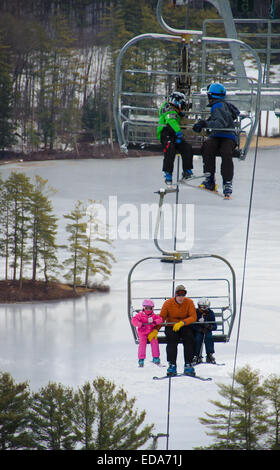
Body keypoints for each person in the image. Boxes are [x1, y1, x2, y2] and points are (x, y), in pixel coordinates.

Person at [192, 82, 240, 198]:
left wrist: (204, 123)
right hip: (219, 135)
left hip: (227, 135)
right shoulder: (221, 106)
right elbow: (217, 119)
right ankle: (215, 180)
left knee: (223, 151)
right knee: (209, 146)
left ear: (211, 96)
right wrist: (204, 123)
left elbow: (220, 123)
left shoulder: (218, 106)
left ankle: (218, 181)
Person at [153, 284, 197, 376]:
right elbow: (162, 318)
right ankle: (172, 364)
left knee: (189, 339)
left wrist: (183, 323)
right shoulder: (168, 303)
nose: (181, 298)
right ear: (175, 295)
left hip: (184, 325)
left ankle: (188, 364)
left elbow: (193, 317)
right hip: (171, 325)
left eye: (183, 295)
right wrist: (156, 330)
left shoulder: (189, 302)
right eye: (179, 296)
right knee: (171, 341)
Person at [157, 91, 193, 186]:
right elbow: (171, 120)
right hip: (166, 133)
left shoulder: (175, 111)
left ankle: (187, 170)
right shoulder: (168, 109)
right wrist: (178, 132)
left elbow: (175, 118)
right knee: (170, 148)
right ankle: (168, 173)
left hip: (174, 135)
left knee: (187, 147)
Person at [131, 299, 163, 367]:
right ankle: (141, 359)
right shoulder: (140, 315)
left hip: (151, 332)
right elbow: (134, 320)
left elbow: (160, 319)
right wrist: (140, 324)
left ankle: (156, 358)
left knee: (154, 342)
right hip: (142, 332)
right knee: (142, 344)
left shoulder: (154, 316)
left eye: (150, 308)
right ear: (143, 308)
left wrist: (155, 322)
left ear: (152, 308)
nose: (148, 310)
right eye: (146, 308)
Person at [192, 298, 217, 364]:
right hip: (198, 331)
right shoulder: (196, 312)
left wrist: (209, 326)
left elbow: (215, 326)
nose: (202, 309)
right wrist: (199, 329)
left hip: (207, 330)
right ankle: (196, 355)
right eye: (201, 307)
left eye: (204, 307)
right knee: (198, 338)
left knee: (209, 338)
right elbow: (192, 324)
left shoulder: (210, 313)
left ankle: (209, 354)